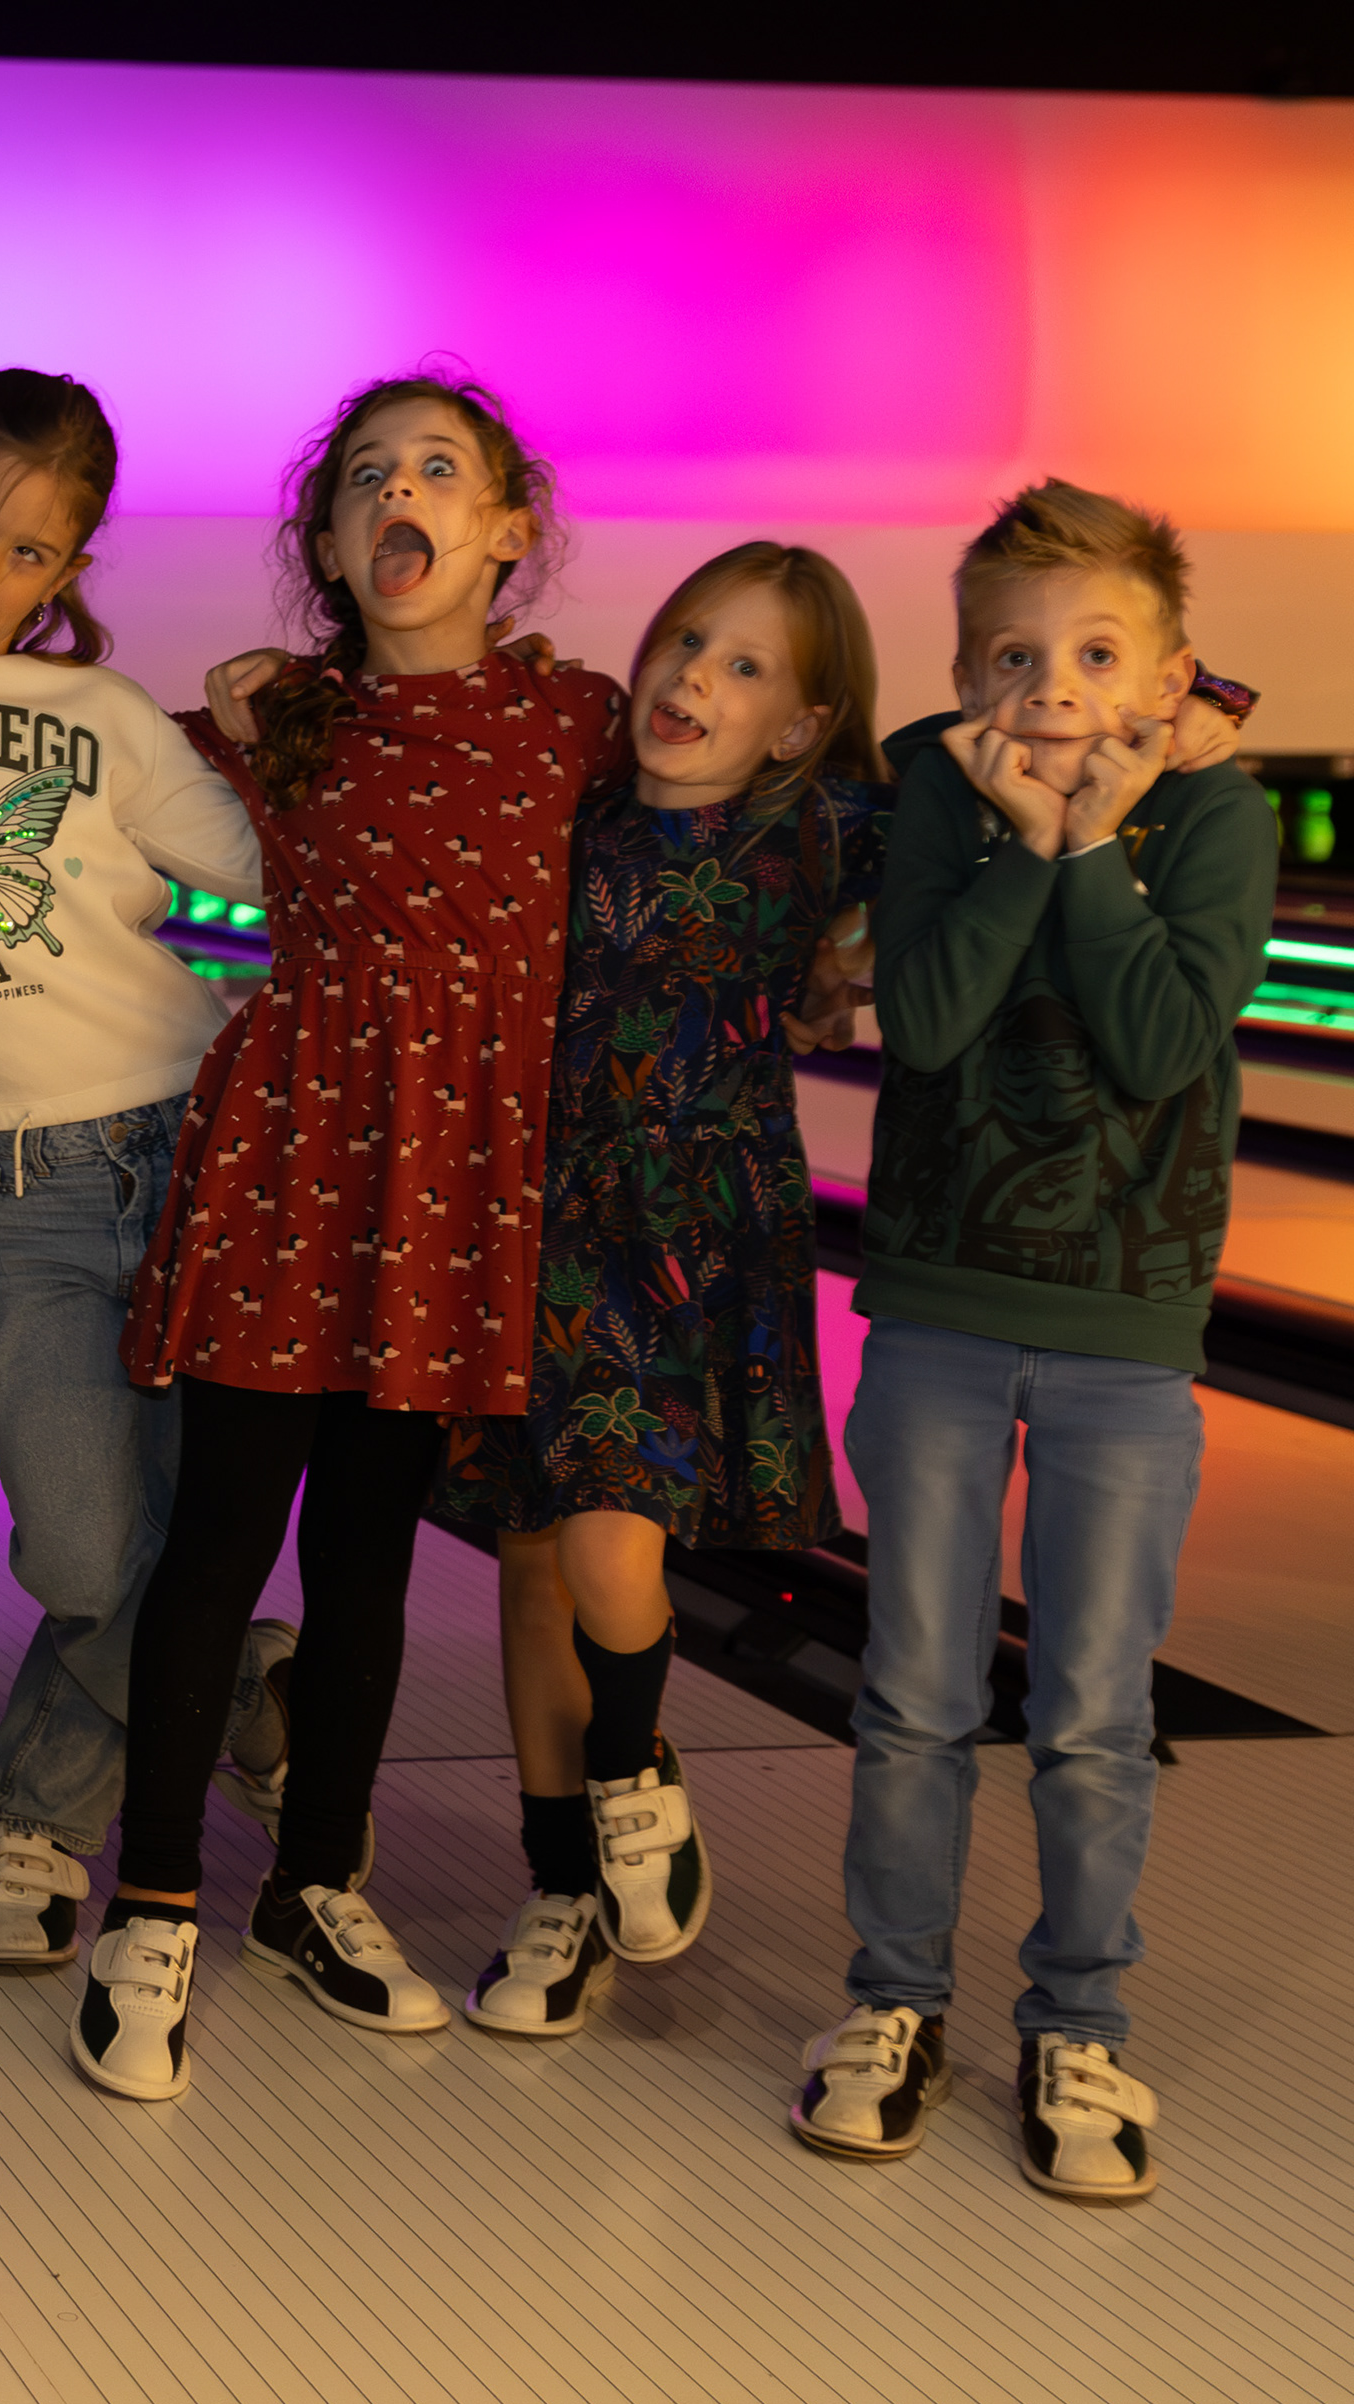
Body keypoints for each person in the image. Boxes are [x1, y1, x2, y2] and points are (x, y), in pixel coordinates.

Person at [77, 375, 623, 2102]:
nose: (402, 494)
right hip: (296, 1160)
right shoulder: (281, 721)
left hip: (453, 1189)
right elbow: (103, 815)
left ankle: (316, 1881)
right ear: (327, 543)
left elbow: (761, 789)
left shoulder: (578, 722)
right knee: (221, 1543)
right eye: (366, 476)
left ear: (508, 529)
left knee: (369, 1561)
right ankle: (152, 1904)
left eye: (440, 470)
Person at [787, 481, 1274, 2203]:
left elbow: (1160, 1042)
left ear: (1172, 675)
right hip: (935, 1306)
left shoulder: (1217, 813)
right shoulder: (941, 789)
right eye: (1012, 655)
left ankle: (1081, 2022)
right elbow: (922, 1020)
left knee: (1092, 1712)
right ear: (965, 673)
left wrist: (1087, 849)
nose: (1053, 686)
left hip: (1128, 1328)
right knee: (914, 1693)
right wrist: (1015, 840)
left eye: (1096, 653)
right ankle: (894, 2003)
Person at [0, 370, 302, 1974]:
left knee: (167, 1527)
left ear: (72, 569)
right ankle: (249, 1684)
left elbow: (262, 896)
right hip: (23, 1192)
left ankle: (38, 1812)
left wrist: (273, 758)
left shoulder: (103, 721)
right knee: (80, 1548)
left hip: (185, 1151)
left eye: (31, 551)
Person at [431, 543, 887, 2033]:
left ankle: (631, 1761)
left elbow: (968, 794)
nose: (694, 675)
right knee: (534, 1565)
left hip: (693, 1235)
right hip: (541, 1223)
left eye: (746, 666)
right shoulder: (576, 809)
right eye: (688, 638)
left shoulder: (816, 826)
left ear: (802, 723)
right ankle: (562, 1884)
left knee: (615, 1547)